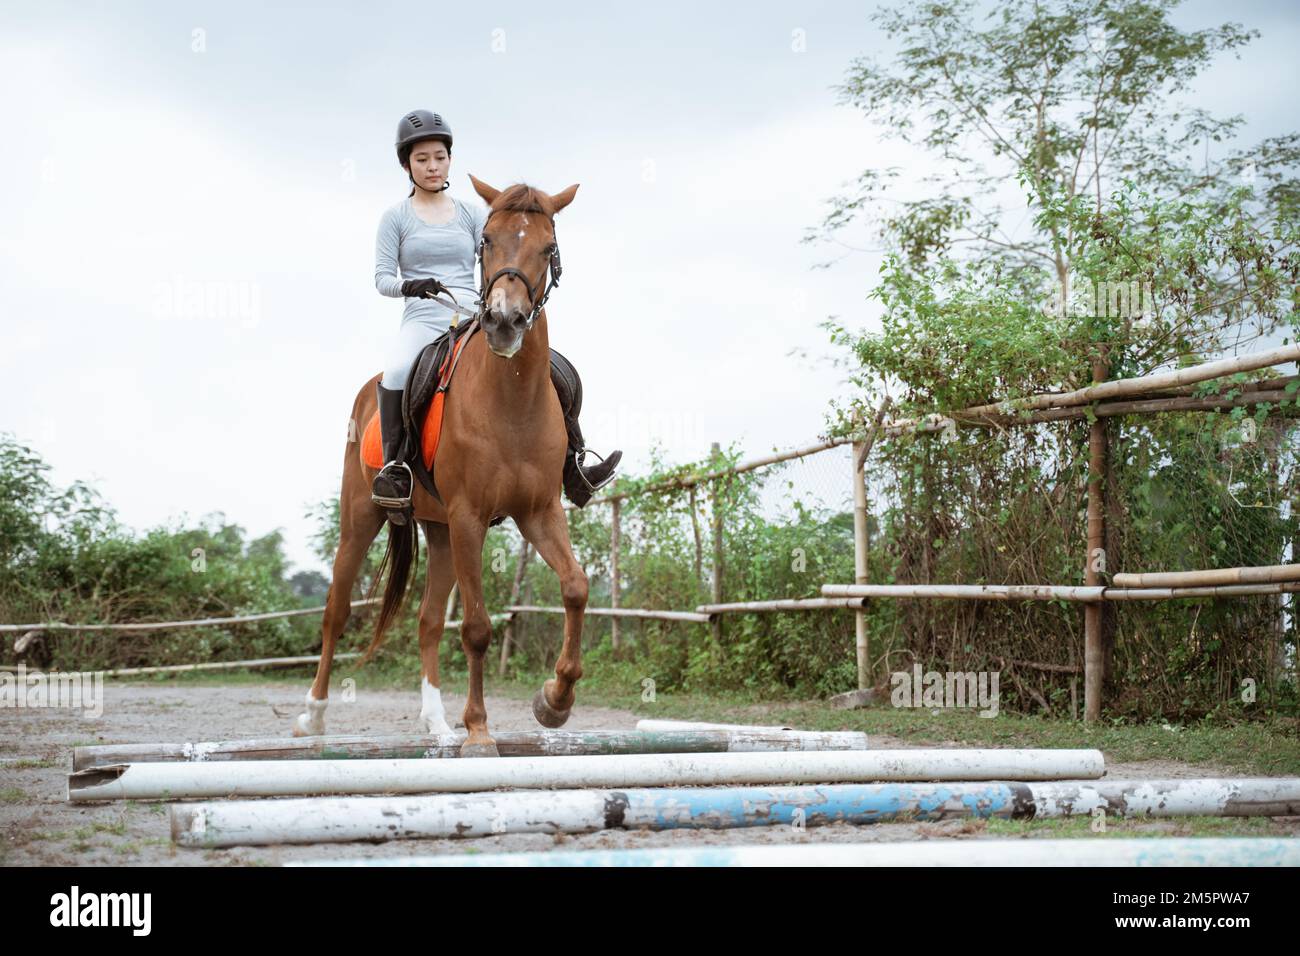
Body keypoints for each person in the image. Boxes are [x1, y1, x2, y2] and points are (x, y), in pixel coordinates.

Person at [371, 109, 621, 513]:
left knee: (553, 367)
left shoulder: (472, 214)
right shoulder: (395, 218)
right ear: (407, 165)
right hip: (422, 317)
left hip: (473, 311)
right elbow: (382, 278)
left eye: (439, 157)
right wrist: (410, 285)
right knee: (399, 371)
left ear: (449, 159)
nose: (432, 166)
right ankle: (397, 468)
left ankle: (574, 460)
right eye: (422, 159)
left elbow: (497, 252)